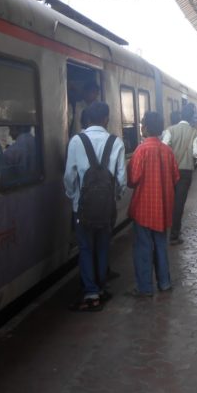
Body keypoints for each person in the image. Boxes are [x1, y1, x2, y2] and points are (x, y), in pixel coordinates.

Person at [64, 101, 126, 311]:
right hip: (107, 207)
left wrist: (74, 197)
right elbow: (121, 179)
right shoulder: (116, 142)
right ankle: (100, 287)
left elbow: (69, 176)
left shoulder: (76, 141)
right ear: (106, 119)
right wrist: (114, 197)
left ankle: (90, 292)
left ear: (88, 119)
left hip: (81, 208)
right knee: (102, 247)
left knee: (85, 248)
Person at [127, 111, 179, 297]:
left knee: (143, 249)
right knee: (161, 247)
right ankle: (164, 283)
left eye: (142, 124)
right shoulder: (167, 151)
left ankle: (145, 287)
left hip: (143, 209)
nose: (141, 127)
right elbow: (175, 178)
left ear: (146, 128)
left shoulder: (141, 150)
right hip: (162, 209)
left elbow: (132, 179)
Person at [163, 104, 197, 245]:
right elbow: (196, 153)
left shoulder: (170, 130)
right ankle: (174, 234)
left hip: (170, 171)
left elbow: (164, 147)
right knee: (179, 203)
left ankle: (163, 229)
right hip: (185, 172)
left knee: (168, 200)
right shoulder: (194, 132)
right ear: (191, 117)